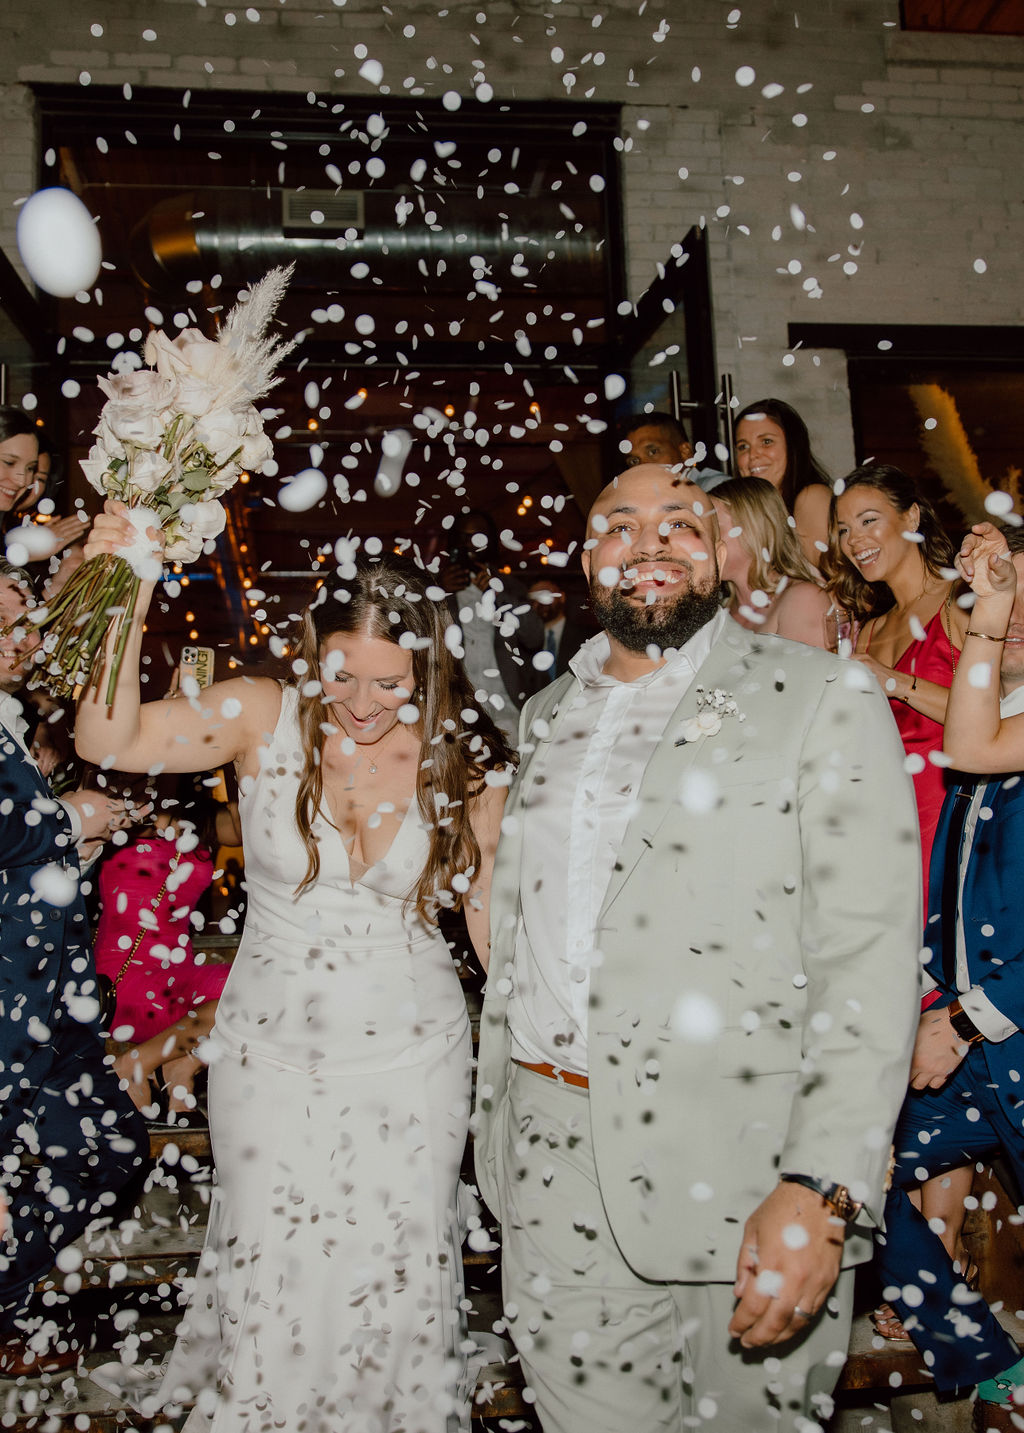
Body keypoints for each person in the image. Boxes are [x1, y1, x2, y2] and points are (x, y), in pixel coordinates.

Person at [473, 463, 921, 1433]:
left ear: (725, 554)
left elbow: (869, 953)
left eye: (678, 523)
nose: (647, 543)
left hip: (742, 1158)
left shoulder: (817, 694)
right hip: (553, 1156)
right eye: (618, 524)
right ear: (585, 558)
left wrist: (823, 1182)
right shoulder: (546, 717)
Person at [79, 506, 513, 1432]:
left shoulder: (461, 761)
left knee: (396, 1273)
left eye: (389, 682)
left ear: (429, 668)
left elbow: (497, 930)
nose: (360, 701)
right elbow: (105, 745)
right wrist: (130, 588)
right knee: (276, 1273)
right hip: (270, 1055)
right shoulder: (258, 713)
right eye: (341, 673)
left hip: (415, 1055)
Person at [874, 520, 1024, 1411]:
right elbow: (964, 744)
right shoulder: (1001, 727)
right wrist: (993, 607)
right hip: (982, 1055)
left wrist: (967, 1015)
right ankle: (984, 1358)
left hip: (993, 1028)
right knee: (850, 1165)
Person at [0, 562, 148, 1376]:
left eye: (23, 621)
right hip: (6, 995)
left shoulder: (13, 718)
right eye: (2, 625)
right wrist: (70, 818)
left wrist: (76, 845)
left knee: (106, 1149)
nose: (19, 639)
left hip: (50, 999)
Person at [827, 464, 969, 912]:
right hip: (884, 827)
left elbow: (999, 715)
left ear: (911, 518)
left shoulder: (962, 602)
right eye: (844, 529)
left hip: (952, 820)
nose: (855, 541)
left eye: (869, 520)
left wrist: (894, 682)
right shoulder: (866, 632)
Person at [93, 777, 241, 1121]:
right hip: (124, 980)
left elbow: (251, 819)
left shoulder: (202, 819)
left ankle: (174, 1066)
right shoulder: (113, 808)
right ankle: (145, 1065)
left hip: (180, 979)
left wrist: (237, 752)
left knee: (263, 988)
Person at [439, 509, 545, 741]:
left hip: (507, 710)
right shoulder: (436, 587)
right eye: (464, 537)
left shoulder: (511, 587)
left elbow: (535, 637)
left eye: (479, 536)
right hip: (456, 711)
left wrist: (499, 596)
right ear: (454, 542)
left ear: (491, 542)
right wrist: (438, 591)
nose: (471, 544)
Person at [712, 476, 833, 648]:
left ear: (753, 528)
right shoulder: (719, 611)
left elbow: (805, 674)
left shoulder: (803, 599)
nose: (704, 541)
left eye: (714, 528)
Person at [733, 398, 832, 565]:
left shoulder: (812, 497)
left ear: (793, 446)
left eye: (766, 442)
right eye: (743, 446)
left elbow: (829, 582)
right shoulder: (750, 514)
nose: (753, 455)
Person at [620, 408, 728, 492]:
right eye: (634, 461)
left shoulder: (716, 490)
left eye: (653, 452)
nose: (643, 467)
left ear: (685, 452)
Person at [526, 577, 590, 679]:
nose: (540, 602)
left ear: (562, 597)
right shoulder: (524, 641)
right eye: (534, 598)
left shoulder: (587, 637)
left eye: (545, 595)